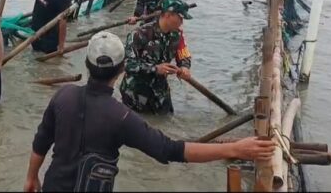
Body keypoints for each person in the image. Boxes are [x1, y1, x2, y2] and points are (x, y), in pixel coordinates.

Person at [24, 31, 275, 192]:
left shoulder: (63, 95)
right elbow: (171, 150)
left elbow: (41, 141)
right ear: (122, 68)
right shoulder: (120, 116)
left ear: (87, 65)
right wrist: (234, 149)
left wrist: (31, 177)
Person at [120, 0, 193, 115]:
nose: (182, 22)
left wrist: (185, 67)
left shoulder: (177, 35)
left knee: (166, 122)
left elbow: (183, 54)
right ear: (168, 15)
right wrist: (155, 69)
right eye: (180, 18)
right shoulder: (140, 34)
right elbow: (126, 64)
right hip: (136, 92)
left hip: (160, 92)